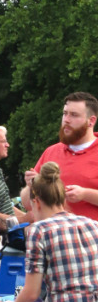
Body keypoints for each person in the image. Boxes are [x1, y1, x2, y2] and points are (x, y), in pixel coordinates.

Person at [0, 162, 98, 302]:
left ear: (37, 202)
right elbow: (80, 286)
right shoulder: (93, 225)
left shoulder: (39, 230)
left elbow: (31, 292)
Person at [21, 92, 98, 221]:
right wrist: (31, 185)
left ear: (91, 121)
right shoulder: (51, 152)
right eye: (65, 113)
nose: (66, 119)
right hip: (55, 238)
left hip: (92, 239)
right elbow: (27, 204)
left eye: (74, 115)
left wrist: (85, 194)